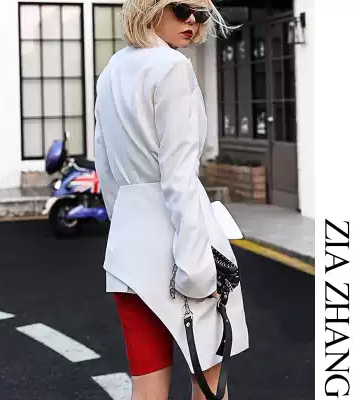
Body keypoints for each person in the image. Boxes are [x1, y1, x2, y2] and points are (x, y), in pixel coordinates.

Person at [94, 0, 249, 398]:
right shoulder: (173, 67)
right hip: (182, 246)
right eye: (182, 10)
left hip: (128, 250)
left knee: (146, 385)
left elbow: (105, 166)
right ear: (151, 6)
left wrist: (124, 226)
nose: (193, 22)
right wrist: (197, 271)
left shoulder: (111, 70)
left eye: (201, 14)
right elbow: (179, 177)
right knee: (209, 381)